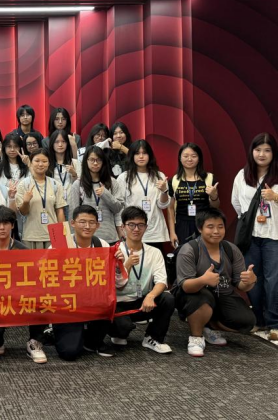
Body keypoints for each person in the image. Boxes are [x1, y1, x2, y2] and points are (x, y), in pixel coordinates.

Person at [175, 208, 257, 356]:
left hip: (223, 294)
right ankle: (196, 338)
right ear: (200, 228)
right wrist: (203, 280)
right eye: (210, 227)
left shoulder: (231, 249)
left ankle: (208, 326)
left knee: (247, 322)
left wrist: (251, 281)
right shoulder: (189, 249)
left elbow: (240, 285)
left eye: (220, 227)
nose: (216, 231)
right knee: (202, 298)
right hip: (194, 294)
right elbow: (186, 286)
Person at [102, 206, 175, 354]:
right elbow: (109, 286)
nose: (136, 229)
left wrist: (151, 295)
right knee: (123, 329)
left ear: (146, 227)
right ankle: (118, 333)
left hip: (142, 302)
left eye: (140, 225)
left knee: (167, 299)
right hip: (119, 303)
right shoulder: (113, 252)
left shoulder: (154, 252)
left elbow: (162, 281)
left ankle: (153, 338)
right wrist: (127, 265)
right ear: (123, 227)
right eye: (131, 225)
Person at [0, 207, 44, 361]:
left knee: (42, 300)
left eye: (6, 223)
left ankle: (34, 341)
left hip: (20, 299)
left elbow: (35, 280)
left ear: (12, 225)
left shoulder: (24, 251)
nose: (2, 227)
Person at [231, 132, 278, 341]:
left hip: (274, 235)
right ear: (252, 151)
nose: (262, 154)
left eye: (267, 150)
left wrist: (275, 197)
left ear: (274, 153)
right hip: (251, 236)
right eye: (258, 150)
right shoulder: (243, 175)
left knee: (273, 280)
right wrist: (249, 218)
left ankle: (274, 323)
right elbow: (236, 202)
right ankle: (258, 319)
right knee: (253, 279)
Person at [54, 206, 115, 360]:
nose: (87, 226)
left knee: (110, 303)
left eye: (91, 222)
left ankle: (92, 339)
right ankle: (62, 332)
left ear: (97, 225)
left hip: (94, 302)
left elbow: (112, 280)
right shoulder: (60, 244)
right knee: (69, 353)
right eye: (82, 222)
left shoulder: (102, 245)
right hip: (69, 304)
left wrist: (119, 264)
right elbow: (48, 274)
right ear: (72, 223)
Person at [116, 140, 171, 249]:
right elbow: (119, 206)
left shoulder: (159, 176)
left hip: (154, 232)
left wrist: (164, 191)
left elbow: (163, 205)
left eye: (144, 153)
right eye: (137, 153)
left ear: (149, 155)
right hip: (132, 230)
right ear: (132, 156)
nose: (141, 156)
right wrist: (119, 228)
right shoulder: (124, 177)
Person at [167, 143, 220, 247]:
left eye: (194, 156)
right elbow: (170, 208)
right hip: (182, 224)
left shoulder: (209, 178)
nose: (189, 159)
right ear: (180, 158)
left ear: (199, 158)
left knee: (205, 254)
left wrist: (214, 196)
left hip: (205, 223)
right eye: (186, 156)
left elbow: (216, 206)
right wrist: (172, 232)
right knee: (184, 254)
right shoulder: (174, 180)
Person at [67, 146, 123, 244]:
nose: (95, 163)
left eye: (99, 160)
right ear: (86, 161)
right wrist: (73, 240)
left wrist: (105, 194)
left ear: (103, 162)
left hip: (109, 236)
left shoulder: (112, 182)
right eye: (92, 160)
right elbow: (73, 214)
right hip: (86, 238)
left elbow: (118, 208)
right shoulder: (78, 184)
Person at [16, 149, 66, 248]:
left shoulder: (56, 184)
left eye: (44, 161)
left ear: (49, 163)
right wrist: (26, 201)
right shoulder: (24, 184)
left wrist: (63, 234)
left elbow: (60, 211)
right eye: (37, 161)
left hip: (53, 235)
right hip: (31, 235)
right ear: (31, 162)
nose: (40, 164)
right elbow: (23, 213)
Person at [47, 130, 80, 220]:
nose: (60, 145)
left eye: (63, 141)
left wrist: (74, 174)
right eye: (57, 142)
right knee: (57, 229)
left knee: (70, 228)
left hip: (71, 204)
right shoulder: (48, 164)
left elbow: (82, 186)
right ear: (52, 144)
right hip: (54, 205)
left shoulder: (75, 163)